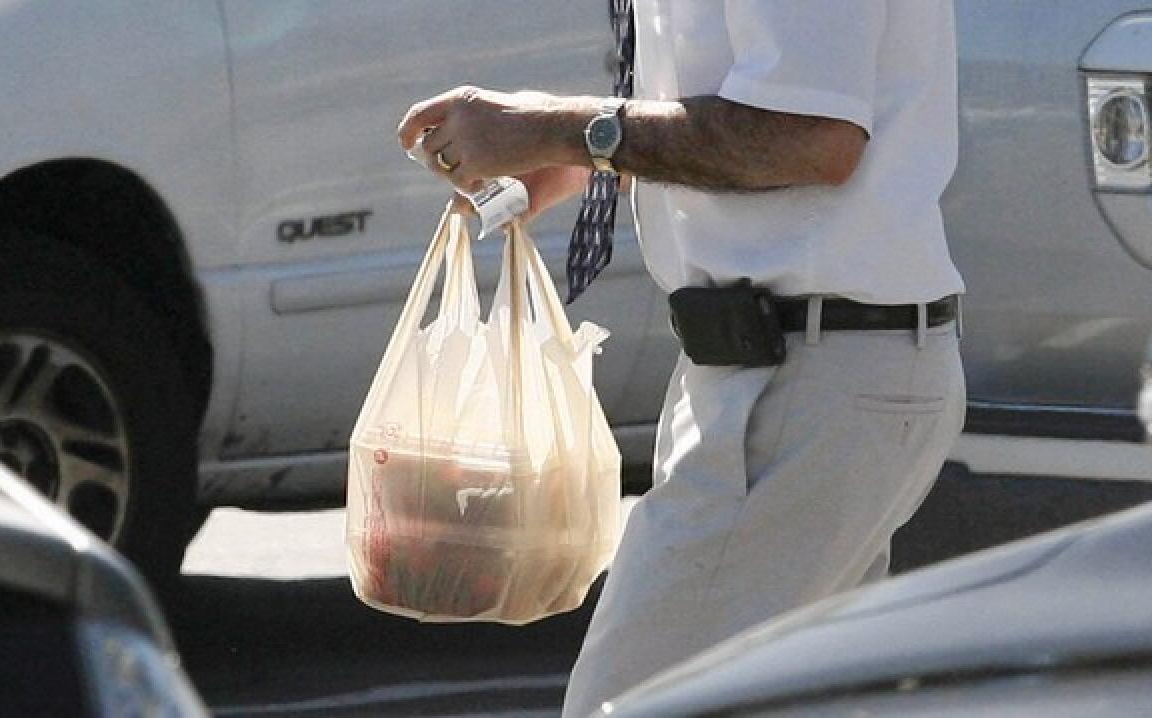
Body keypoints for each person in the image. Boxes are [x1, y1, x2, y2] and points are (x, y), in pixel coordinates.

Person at [398, 1, 965, 715]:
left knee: (629, 702)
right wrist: (571, 156)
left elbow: (812, 137)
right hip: (782, 368)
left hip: (806, 373)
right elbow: (741, 112)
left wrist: (561, 129)